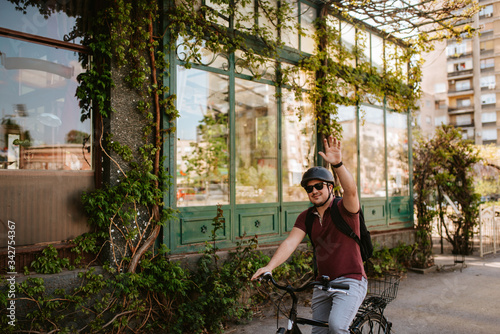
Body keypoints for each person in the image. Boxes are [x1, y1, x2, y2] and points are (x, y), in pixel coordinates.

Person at [251, 135, 367, 334]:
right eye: (309, 188)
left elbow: (352, 190)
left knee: (337, 327)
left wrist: (338, 164)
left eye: (319, 186)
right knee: (318, 332)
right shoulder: (307, 217)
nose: (314, 191)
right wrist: (269, 266)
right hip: (322, 283)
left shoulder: (344, 209)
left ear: (330, 187)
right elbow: (290, 242)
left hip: (351, 281)